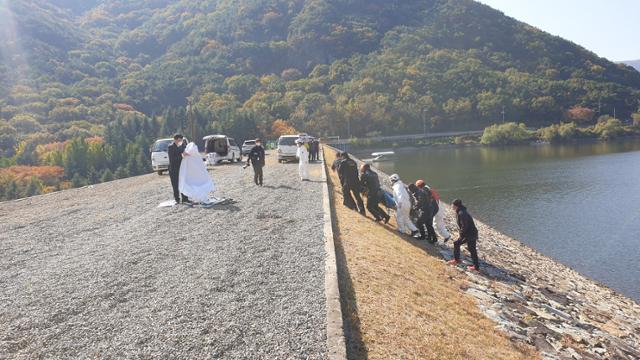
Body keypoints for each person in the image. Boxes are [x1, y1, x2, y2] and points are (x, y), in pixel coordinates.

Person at [448, 199, 480, 271]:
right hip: (471, 233)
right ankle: (476, 267)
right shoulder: (460, 211)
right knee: (472, 249)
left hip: (469, 234)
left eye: (452, 204)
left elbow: (464, 225)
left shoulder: (462, 213)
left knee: (456, 243)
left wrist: (461, 235)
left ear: (456, 205)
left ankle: (456, 260)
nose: (451, 206)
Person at [167, 134, 190, 204]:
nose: (181, 142)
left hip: (182, 168)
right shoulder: (170, 147)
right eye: (179, 140)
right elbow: (172, 159)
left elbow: (186, 151)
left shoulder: (182, 145)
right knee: (175, 185)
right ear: (175, 140)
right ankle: (177, 199)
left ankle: (185, 199)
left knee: (184, 183)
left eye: (181, 140)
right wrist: (182, 156)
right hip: (173, 169)